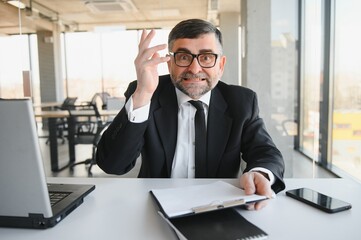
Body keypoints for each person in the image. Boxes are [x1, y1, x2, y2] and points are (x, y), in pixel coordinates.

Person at [96, 19, 285, 209]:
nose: (194, 69)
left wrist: (261, 174)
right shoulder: (147, 93)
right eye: (184, 57)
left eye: (206, 57)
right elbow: (112, 164)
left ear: (221, 64)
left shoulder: (241, 101)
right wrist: (143, 94)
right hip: (154, 206)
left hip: (219, 208)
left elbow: (266, 152)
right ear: (169, 64)